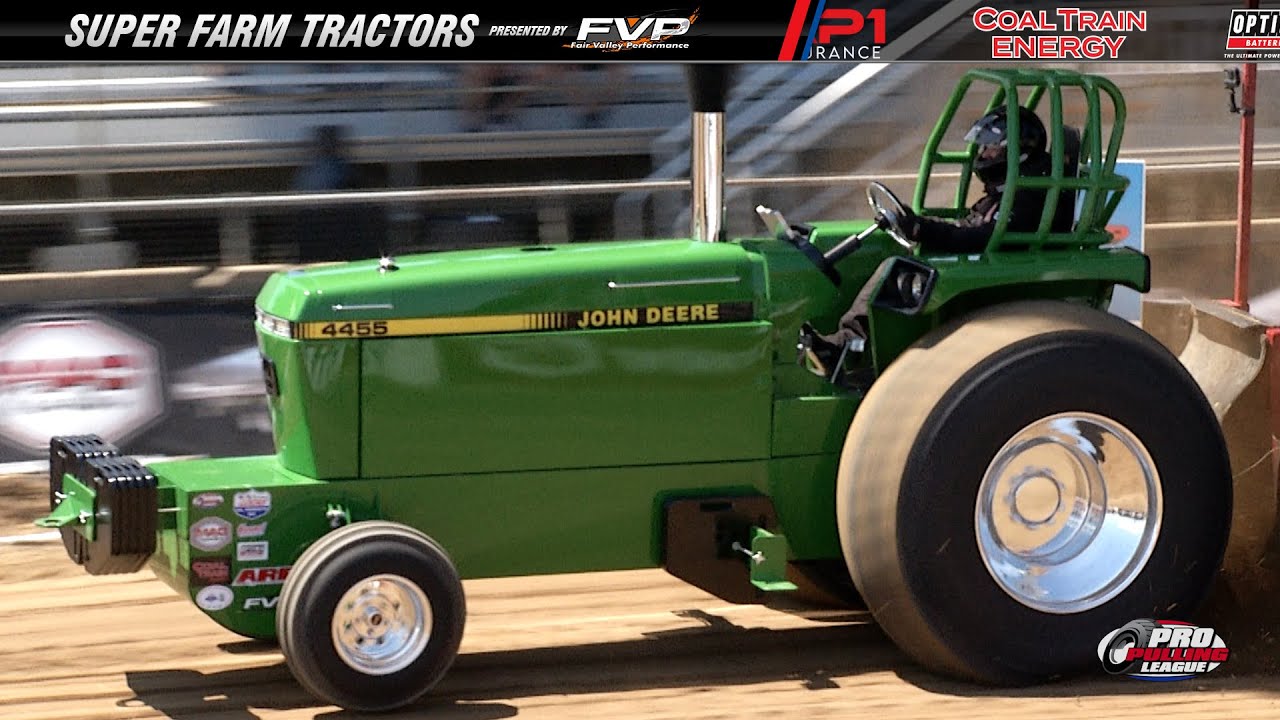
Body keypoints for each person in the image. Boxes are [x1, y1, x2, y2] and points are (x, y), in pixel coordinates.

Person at [805, 106, 1055, 379]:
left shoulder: (1028, 195)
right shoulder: (1006, 191)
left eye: (991, 149)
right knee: (894, 257)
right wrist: (922, 226)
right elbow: (971, 227)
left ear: (1016, 150)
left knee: (896, 269)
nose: (982, 155)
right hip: (987, 256)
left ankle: (848, 349)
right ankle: (852, 349)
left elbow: (983, 237)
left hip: (1000, 266)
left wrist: (924, 228)